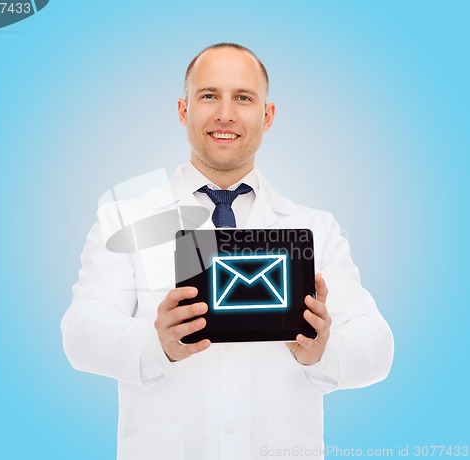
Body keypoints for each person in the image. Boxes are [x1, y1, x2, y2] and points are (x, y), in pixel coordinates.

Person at [61, 43, 394, 460]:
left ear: (267, 115)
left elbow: (378, 346)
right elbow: (80, 332)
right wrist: (155, 344)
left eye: (243, 97)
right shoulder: (124, 221)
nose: (225, 113)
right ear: (183, 111)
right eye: (208, 96)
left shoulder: (316, 228)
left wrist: (323, 351)